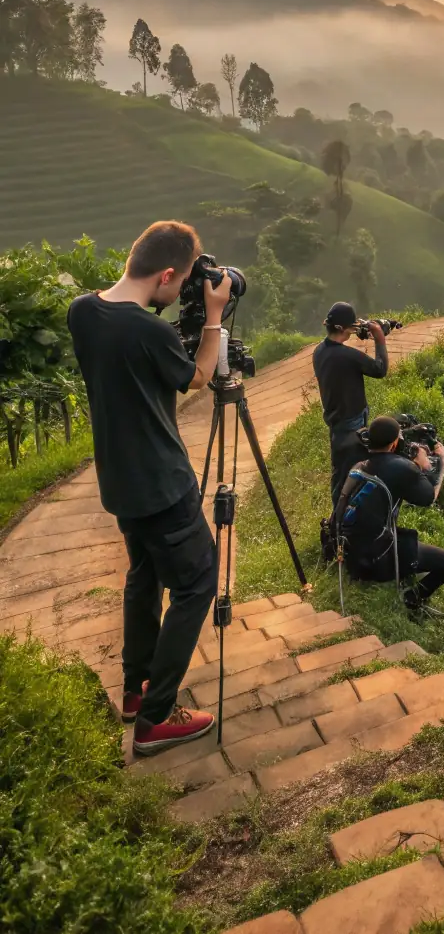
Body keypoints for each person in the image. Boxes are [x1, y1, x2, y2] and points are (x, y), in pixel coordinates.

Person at [67, 221, 233, 755]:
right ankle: (156, 719)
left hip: (119, 482)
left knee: (144, 576)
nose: (181, 290)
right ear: (164, 274)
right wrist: (213, 316)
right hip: (162, 485)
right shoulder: (151, 333)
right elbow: (197, 378)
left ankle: (135, 691)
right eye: (180, 282)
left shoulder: (82, 311)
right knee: (196, 585)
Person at [340, 414, 444, 610]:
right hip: (376, 562)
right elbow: (429, 497)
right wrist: (436, 462)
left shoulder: (358, 462)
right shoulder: (402, 468)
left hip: (348, 553)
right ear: (394, 443)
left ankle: (402, 574)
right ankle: (411, 599)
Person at [313, 302, 388, 514]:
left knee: (342, 472)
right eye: (350, 326)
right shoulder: (346, 355)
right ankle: (341, 520)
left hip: (336, 420)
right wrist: (379, 338)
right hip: (351, 422)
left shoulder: (320, 351)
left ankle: (343, 515)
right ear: (340, 328)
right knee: (349, 474)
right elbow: (380, 369)